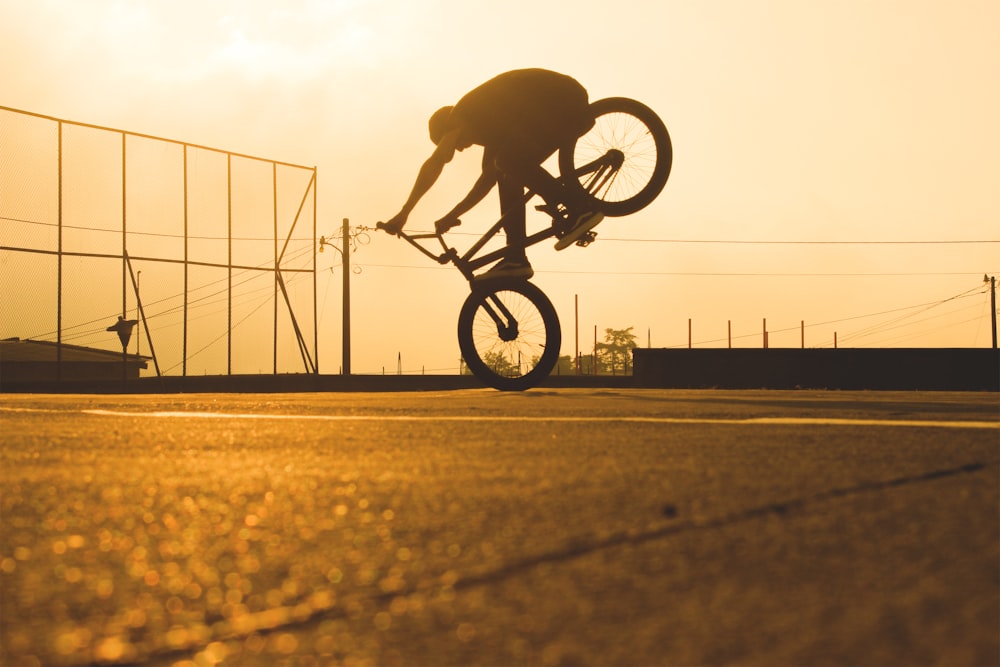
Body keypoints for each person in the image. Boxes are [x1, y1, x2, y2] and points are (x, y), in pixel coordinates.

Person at [381, 68, 604, 281]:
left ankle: (579, 209)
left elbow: (436, 161)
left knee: (509, 162)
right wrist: (454, 214)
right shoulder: (494, 127)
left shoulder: (462, 113)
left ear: (449, 129)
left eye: (450, 143)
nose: (459, 149)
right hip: (557, 105)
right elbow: (486, 181)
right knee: (506, 172)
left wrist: (405, 211)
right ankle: (515, 256)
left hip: (562, 99)